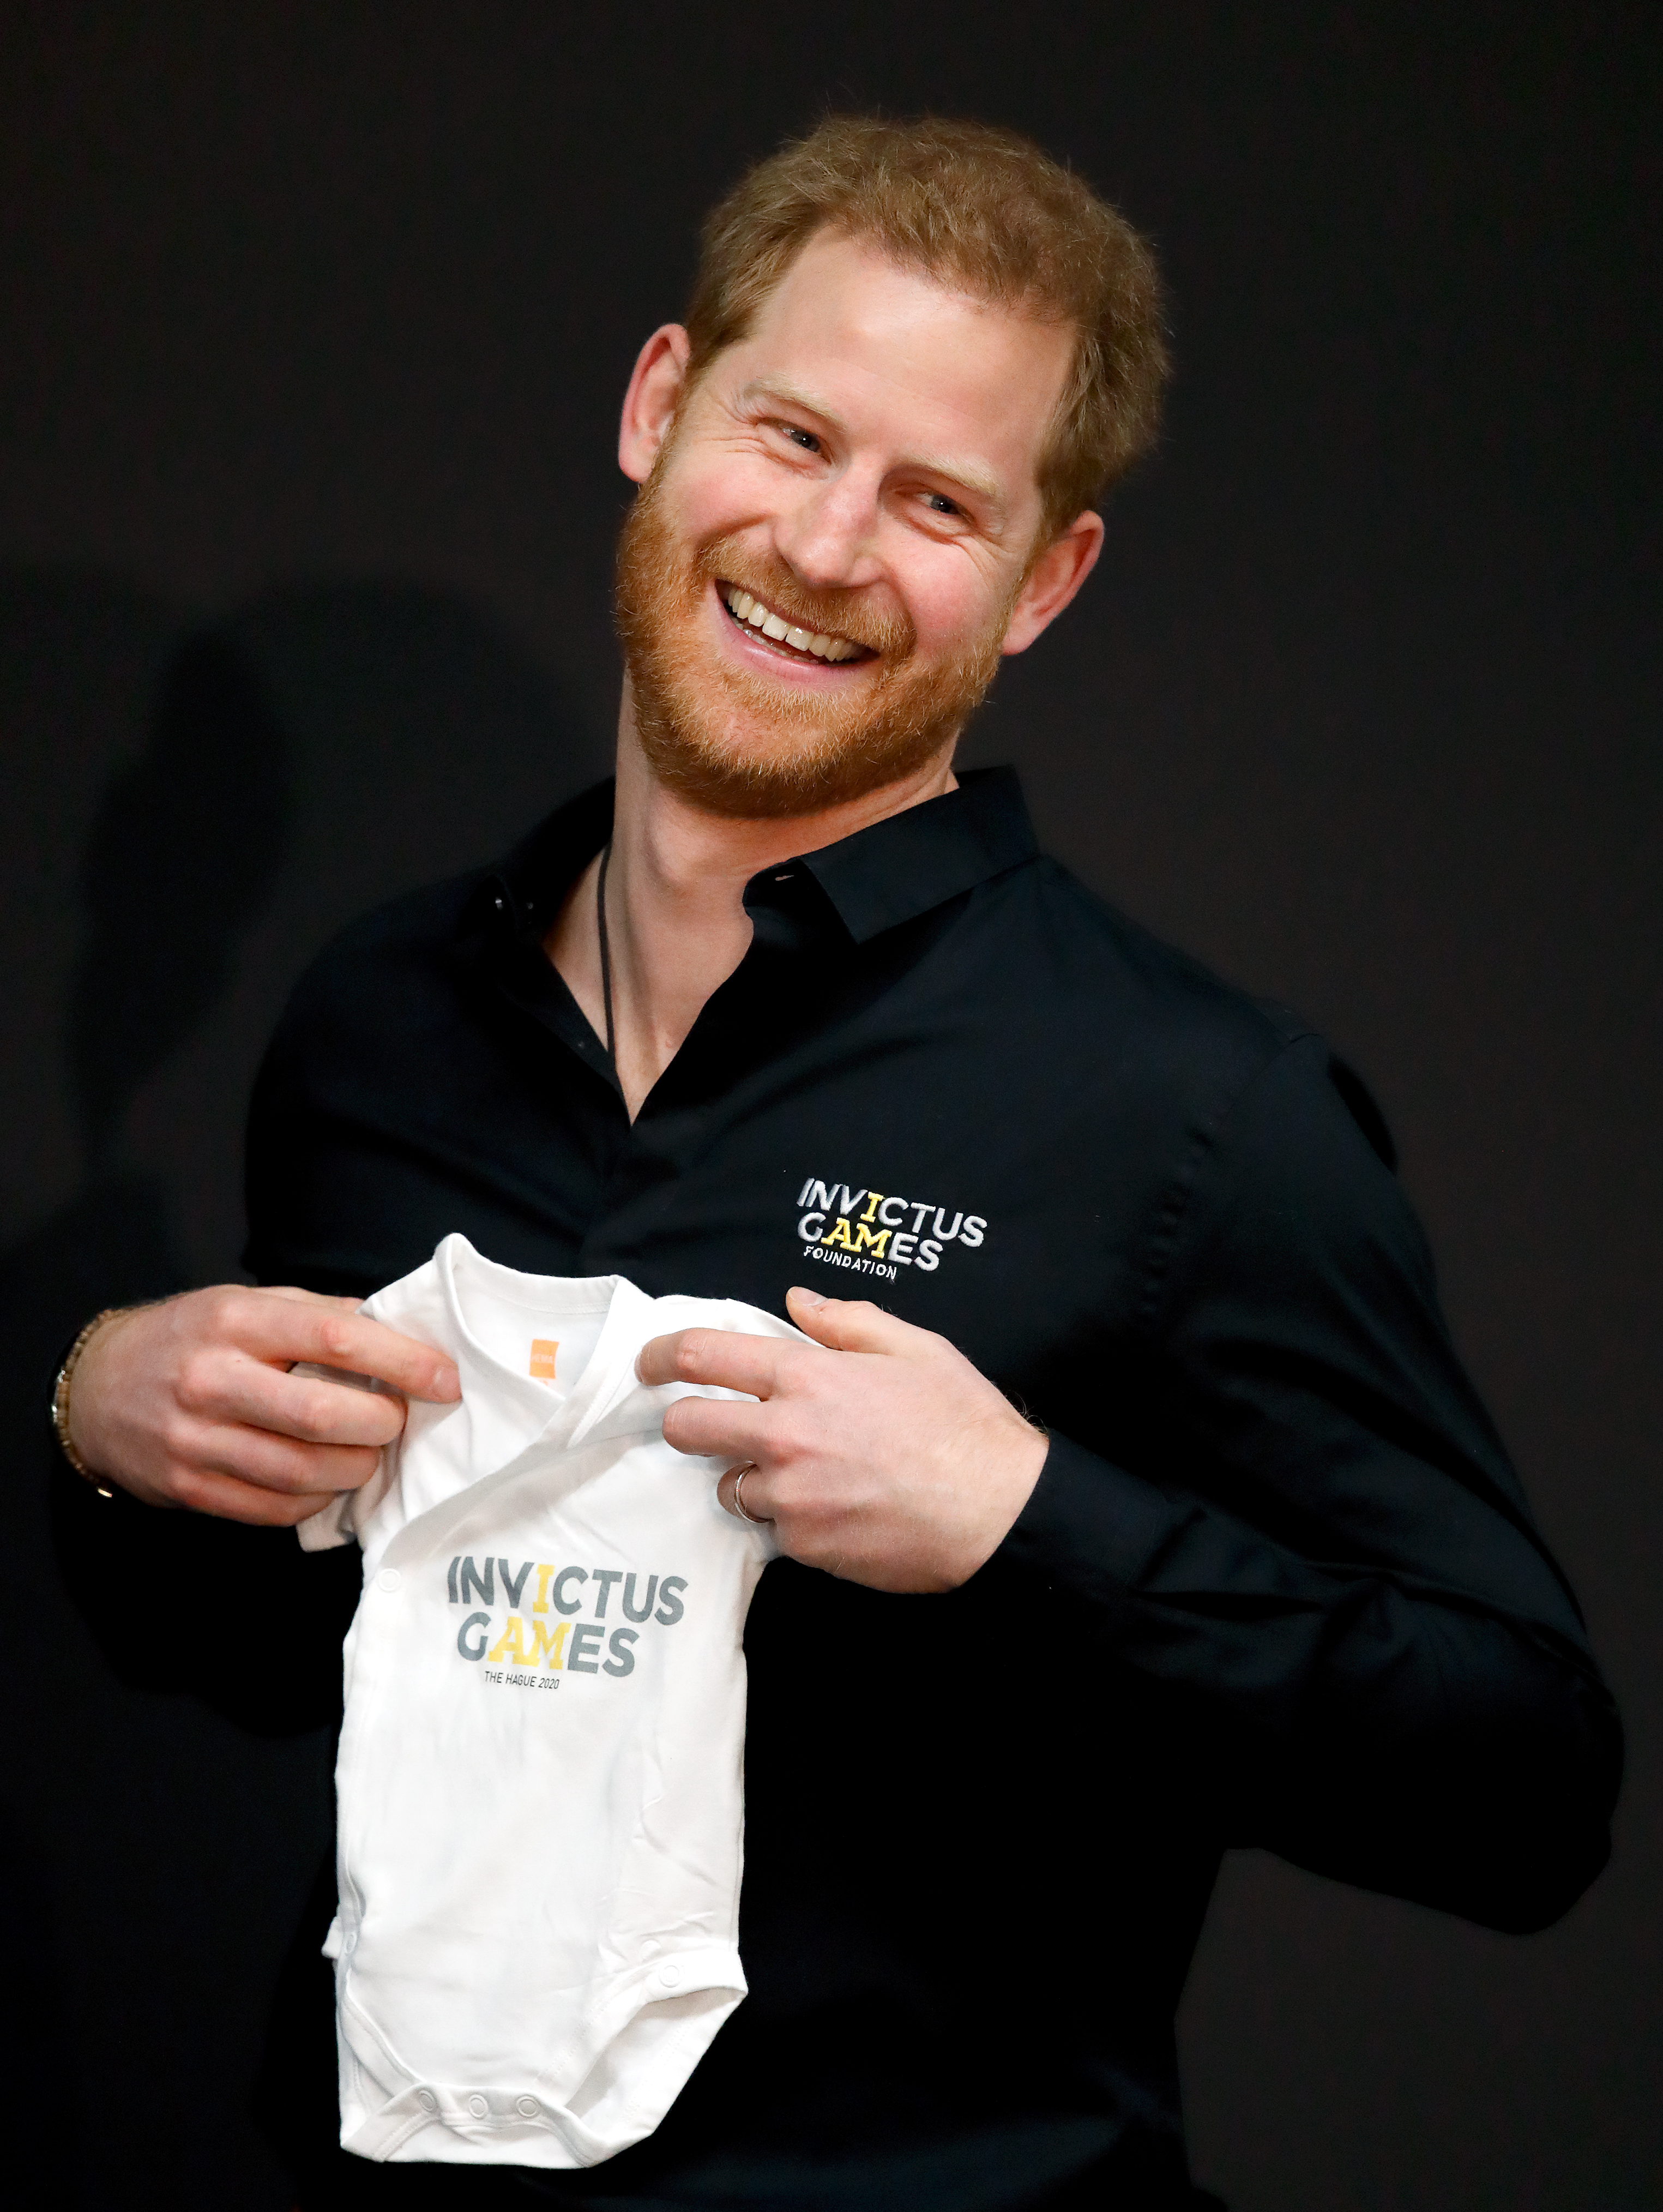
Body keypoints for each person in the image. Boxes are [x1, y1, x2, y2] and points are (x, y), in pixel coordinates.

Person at [54, 116, 1620, 2210]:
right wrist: (105, 1422)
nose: (822, 544)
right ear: (659, 405)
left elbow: (1524, 1793)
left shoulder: (1188, 1106)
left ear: (1041, 578)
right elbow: (267, 1664)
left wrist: (1029, 1520)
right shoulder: (380, 1021)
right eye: (790, 435)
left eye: (937, 500)